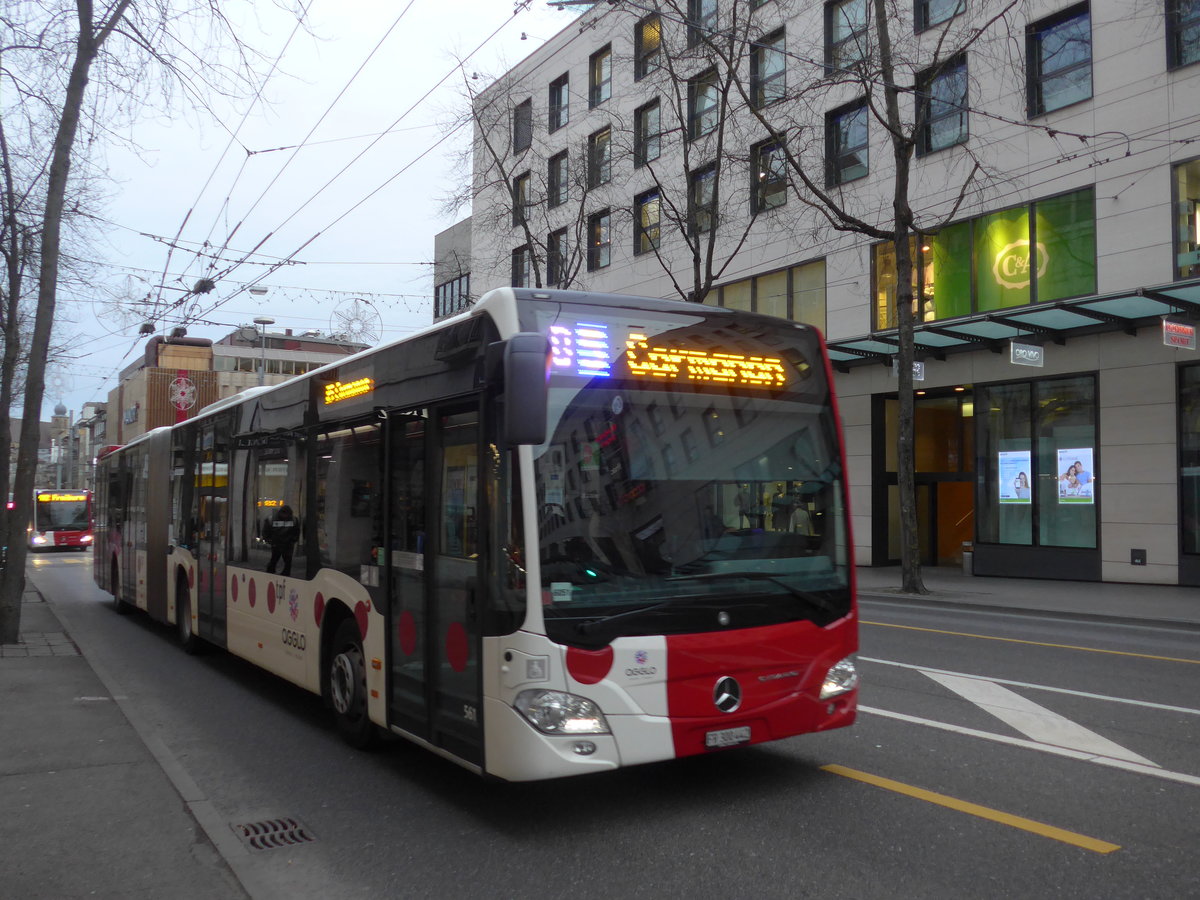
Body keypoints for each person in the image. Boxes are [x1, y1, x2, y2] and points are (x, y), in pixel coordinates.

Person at [266, 505, 300, 576]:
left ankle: (281, 573)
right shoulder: (294, 520)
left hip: (287, 544)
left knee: (286, 561)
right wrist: (270, 540)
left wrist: (293, 540)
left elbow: (296, 532)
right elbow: (266, 531)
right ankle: (272, 572)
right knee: (275, 560)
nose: (285, 516)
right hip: (278, 544)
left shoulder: (294, 520)